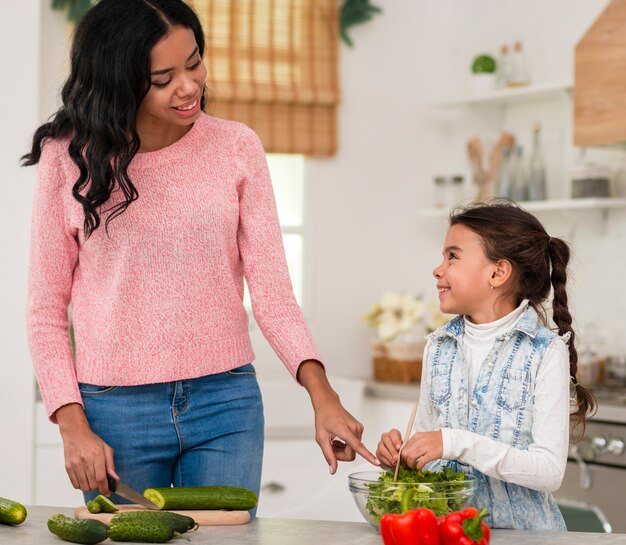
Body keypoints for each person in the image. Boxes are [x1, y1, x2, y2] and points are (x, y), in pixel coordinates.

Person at [22, 0, 377, 508]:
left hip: (225, 402)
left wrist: (323, 396)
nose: (188, 86)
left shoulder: (236, 147)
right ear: (119, 81)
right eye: (162, 78)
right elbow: (45, 312)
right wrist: (70, 422)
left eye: (194, 63)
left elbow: (273, 294)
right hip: (113, 410)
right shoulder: (67, 157)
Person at [376, 202, 595, 530]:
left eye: (453, 256)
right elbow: (427, 446)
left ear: (497, 273)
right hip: (448, 533)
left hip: (524, 537)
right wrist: (401, 455)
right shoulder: (437, 346)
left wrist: (452, 442)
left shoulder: (546, 351)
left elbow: (549, 472)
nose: (438, 269)